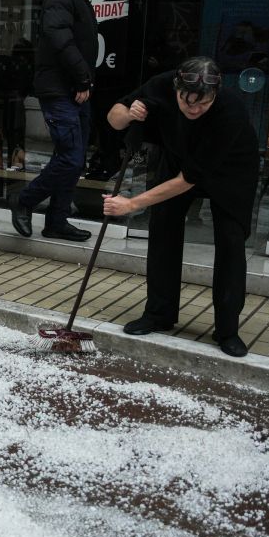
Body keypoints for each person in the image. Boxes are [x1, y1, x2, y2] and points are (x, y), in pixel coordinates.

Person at [103, 56, 258, 358]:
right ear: (176, 88)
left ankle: (227, 329)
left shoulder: (231, 111)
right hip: (177, 156)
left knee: (231, 241)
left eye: (203, 104)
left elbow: (189, 180)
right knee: (163, 229)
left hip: (231, 170)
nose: (194, 109)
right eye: (187, 102)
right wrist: (130, 115)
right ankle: (159, 313)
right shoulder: (160, 84)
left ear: (215, 95)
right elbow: (113, 117)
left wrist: (131, 204)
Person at [9, 0, 104, 242]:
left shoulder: (80, 0)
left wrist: (83, 82)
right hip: (62, 91)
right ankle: (24, 200)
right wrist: (80, 80)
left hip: (77, 91)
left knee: (72, 157)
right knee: (71, 160)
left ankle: (57, 221)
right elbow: (60, 39)